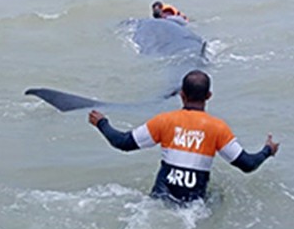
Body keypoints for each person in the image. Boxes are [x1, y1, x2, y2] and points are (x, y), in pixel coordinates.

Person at [87, 70, 279, 204]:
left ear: (181, 95)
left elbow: (123, 143)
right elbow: (247, 164)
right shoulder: (217, 128)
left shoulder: (164, 121)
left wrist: (101, 123)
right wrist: (267, 150)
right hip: (194, 207)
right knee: (217, 197)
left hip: (160, 201)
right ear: (209, 95)